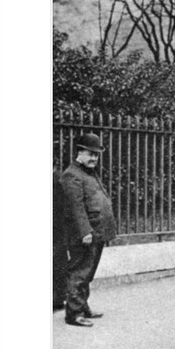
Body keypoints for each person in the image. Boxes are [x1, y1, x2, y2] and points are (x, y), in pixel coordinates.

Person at [60, 133, 117, 327]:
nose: (94, 158)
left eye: (96, 154)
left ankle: (82, 307)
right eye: (90, 154)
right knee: (80, 272)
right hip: (85, 234)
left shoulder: (88, 172)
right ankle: (73, 314)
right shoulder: (71, 174)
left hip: (97, 232)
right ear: (79, 153)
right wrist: (85, 231)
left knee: (88, 273)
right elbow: (75, 207)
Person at [52, 165, 69, 311]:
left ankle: (57, 298)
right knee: (58, 259)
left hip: (56, 225)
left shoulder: (57, 177)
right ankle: (57, 298)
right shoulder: (58, 176)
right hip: (57, 226)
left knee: (58, 260)